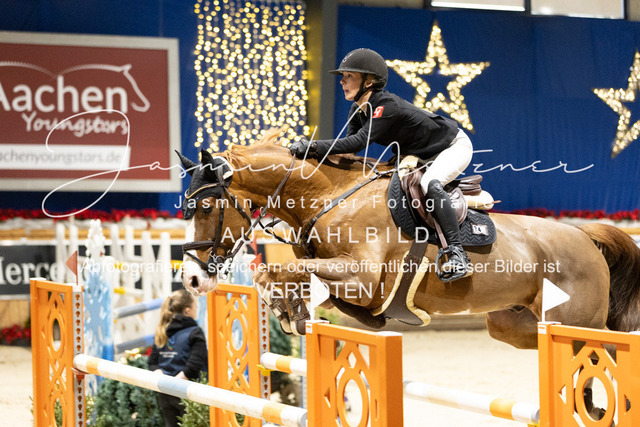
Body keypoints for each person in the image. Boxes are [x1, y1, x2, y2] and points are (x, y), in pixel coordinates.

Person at [290, 48, 473, 282]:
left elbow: (359, 141)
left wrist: (313, 146)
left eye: (349, 76)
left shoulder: (386, 105)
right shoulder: (358, 109)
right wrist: (310, 160)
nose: (342, 81)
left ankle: (457, 253)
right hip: (419, 153)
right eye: (343, 76)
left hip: (452, 146)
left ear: (369, 82)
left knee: (429, 183)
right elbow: (349, 150)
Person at [148, 289, 208, 426]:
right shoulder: (195, 332)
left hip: (165, 393)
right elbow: (194, 364)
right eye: (195, 306)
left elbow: (152, 363)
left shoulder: (162, 331)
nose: (197, 308)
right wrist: (176, 384)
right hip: (188, 392)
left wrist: (165, 383)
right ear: (187, 311)